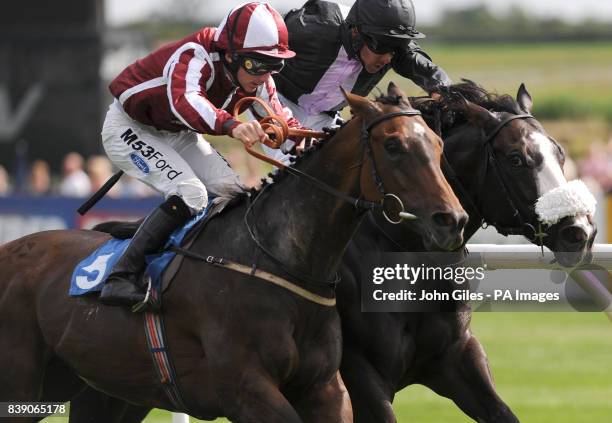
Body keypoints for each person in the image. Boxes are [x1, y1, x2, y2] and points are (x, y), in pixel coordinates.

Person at [99, 2, 300, 306]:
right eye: (256, 65)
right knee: (192, 194)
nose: (264, 75)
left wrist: (314, 144)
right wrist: (232, 126)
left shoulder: (257, 79)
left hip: (175, 133)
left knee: (234, 193)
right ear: (231, 54)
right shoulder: (195, 54)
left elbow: (285, 125)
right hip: (130, 128)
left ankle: (170, 246)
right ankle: (120, 277)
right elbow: (186, 102)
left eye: (274, 65)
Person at [268, 0, 452, 162]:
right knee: (296, 168)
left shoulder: (393, 47)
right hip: (276, 101)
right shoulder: (313, 27)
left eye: (396, 48)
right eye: (382, 46)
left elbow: (430, 72)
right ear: (355, 32)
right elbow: (259, 35)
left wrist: (443, 91)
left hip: (324, 115)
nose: (388, 58)